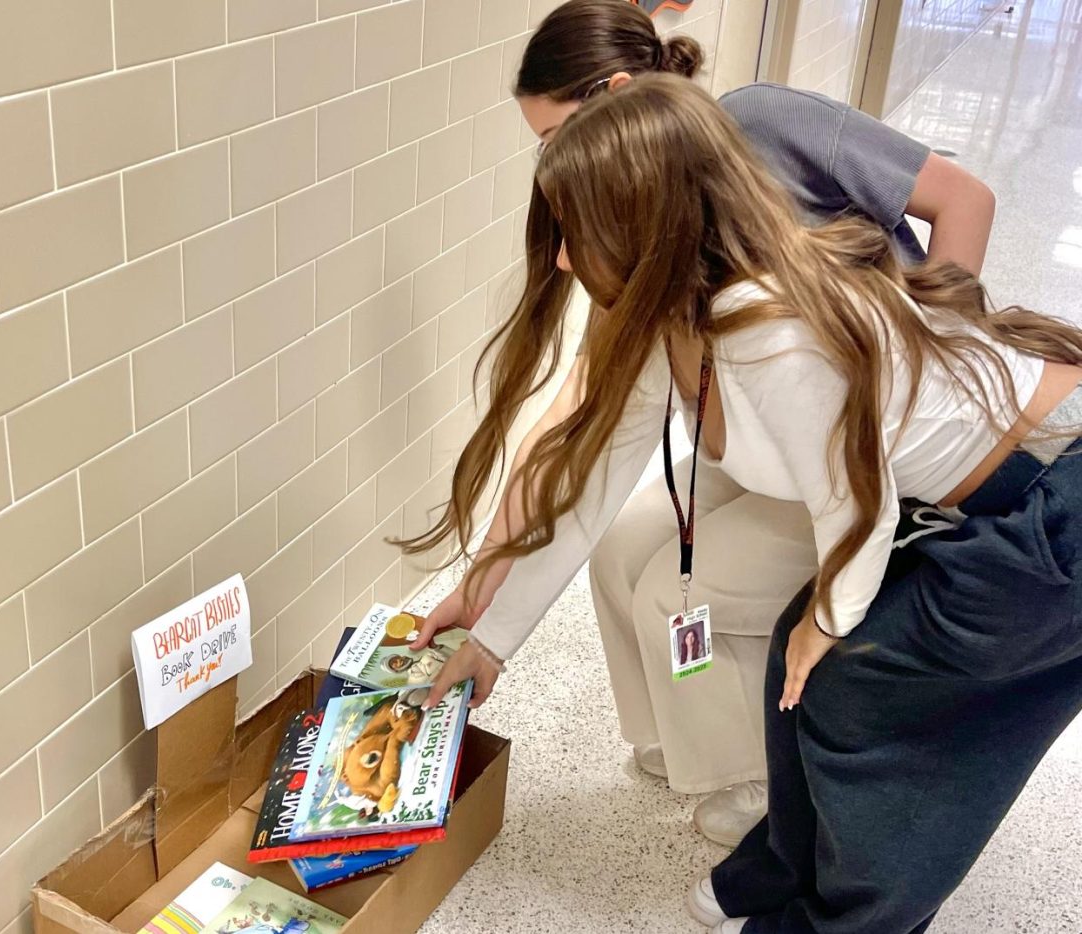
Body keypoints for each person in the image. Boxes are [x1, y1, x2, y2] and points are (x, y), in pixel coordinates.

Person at [403, 73, 1082, 934]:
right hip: (973, 498)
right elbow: (591, 481)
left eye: (576, 232)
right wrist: (493, 642)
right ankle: (780, 868)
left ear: (643, 226)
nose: (566, 258)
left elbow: (859, 508)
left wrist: (826, 627)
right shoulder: (673, 316)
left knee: (855, 696)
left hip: (1054, 498)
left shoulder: (767, 328)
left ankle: (844, 918)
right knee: (800, 670)